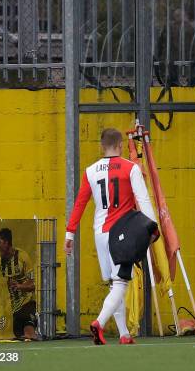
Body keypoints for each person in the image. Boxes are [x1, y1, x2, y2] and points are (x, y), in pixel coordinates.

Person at [64, 128, 158, 345]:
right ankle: (99, 323)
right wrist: (152, 228)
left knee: (114, 283)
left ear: (101, 146)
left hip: (100, 233)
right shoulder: (131, 168)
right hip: (123, 233)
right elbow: (143, 200)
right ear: (121, 145)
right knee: (121, 282)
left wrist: (70, 233)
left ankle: (124, 334)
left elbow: (79, 204)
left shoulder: (90, 171)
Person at [0, 228, 38, 340]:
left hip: (28, 303)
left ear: (6, 243)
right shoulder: (0, 262)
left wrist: (20, 286)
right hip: (15, 309)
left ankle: (33, 332)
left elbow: (34, 285)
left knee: (29, 335)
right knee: (20, 335)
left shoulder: (22, 257)